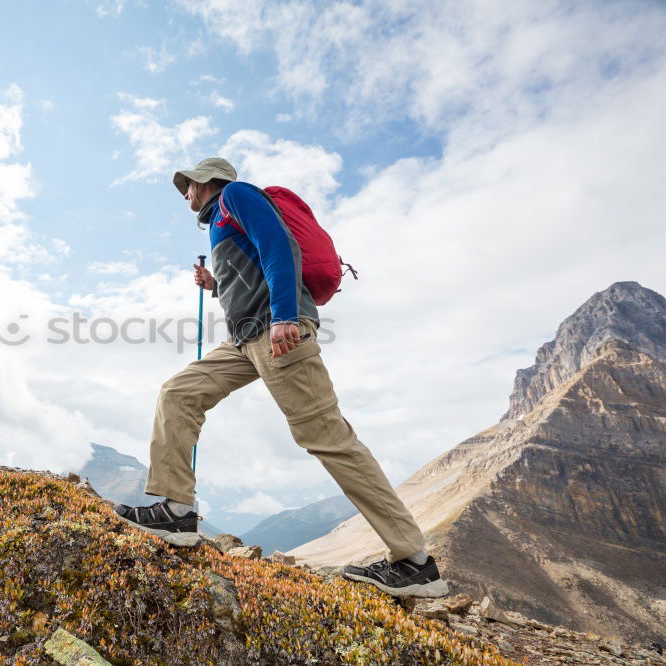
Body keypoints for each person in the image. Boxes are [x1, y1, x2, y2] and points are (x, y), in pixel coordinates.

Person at [114, 157, 449, 597]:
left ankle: (413, 562)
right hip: (244, 340)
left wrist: (286, 316)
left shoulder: (237, 195)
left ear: (208, 182)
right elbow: (253, 269)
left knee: (328, 438)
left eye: (189, 186)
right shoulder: (220, 220)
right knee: (178, 393)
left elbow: (279, 246)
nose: (185, 194)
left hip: (278, 332)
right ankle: (176, 510)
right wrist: (216, 286)